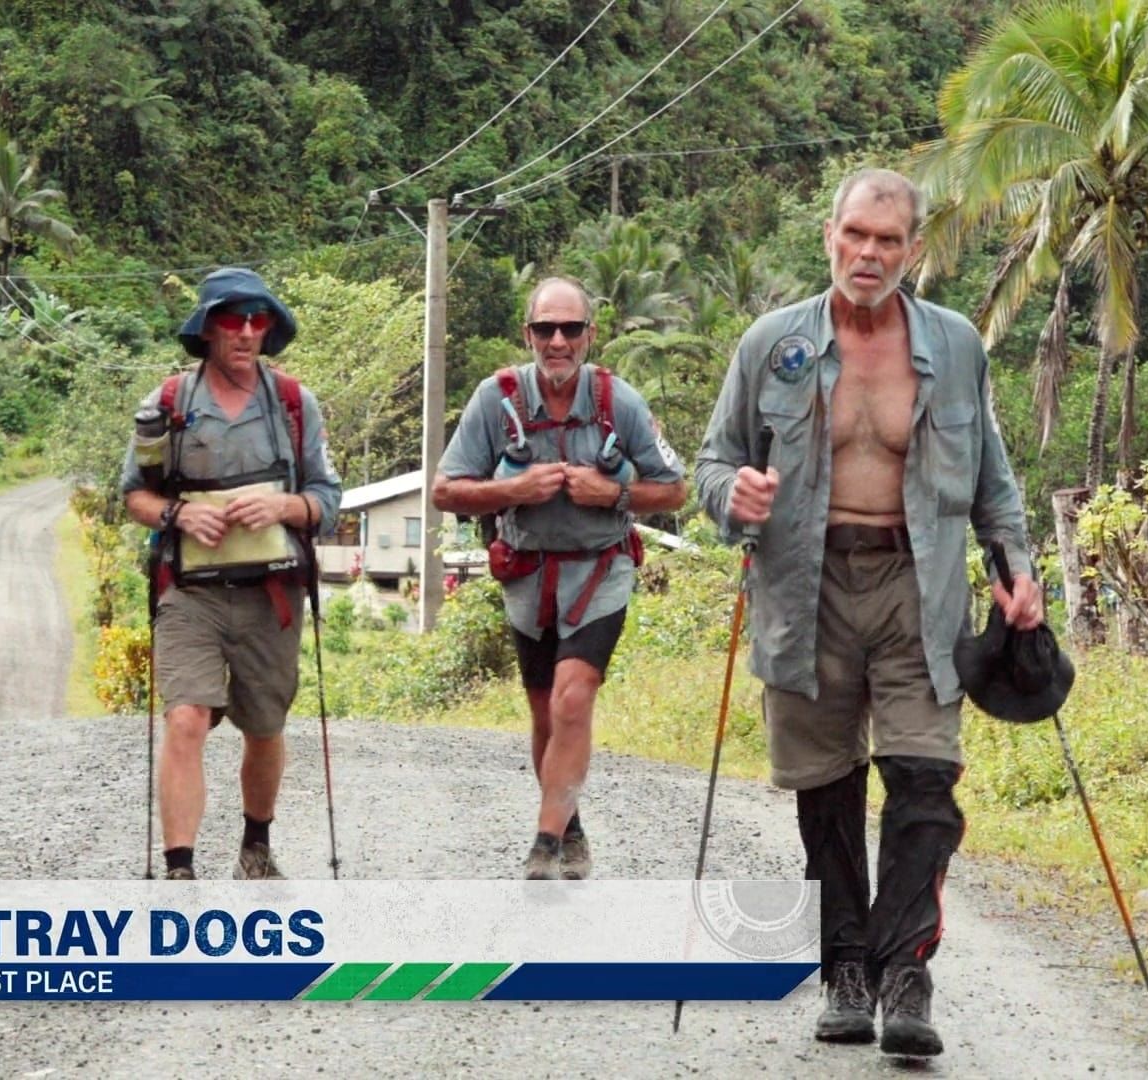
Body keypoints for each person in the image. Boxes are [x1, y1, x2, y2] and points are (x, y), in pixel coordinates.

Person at [695, 169, 1044, 1057]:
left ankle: (906, 974)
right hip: (800, 587)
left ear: (913, 250)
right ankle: (844, 967)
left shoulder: (956, 345)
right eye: (856, 235)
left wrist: (1018, 569)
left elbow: (994, 481)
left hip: (916, 584)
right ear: (829, 236)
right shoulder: (772, 343)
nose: (869, 254)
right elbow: (711, 464)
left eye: (888, 241)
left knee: (926, 782)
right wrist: (733, 493)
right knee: (825, 788)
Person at [433, 276, 686, 880]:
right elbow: (445, 489)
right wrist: (511, 490)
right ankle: (569, 823)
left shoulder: (618, 401)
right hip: (526, 575)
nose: (558, 341)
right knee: (546, 713)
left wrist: (613, 493)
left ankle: (544, 845)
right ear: (528, 334)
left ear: (589, 335)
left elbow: (673, 488)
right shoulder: (495, 400)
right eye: (545, 329)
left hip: (600, 571)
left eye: (570, 329)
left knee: (574, 698)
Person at [120, 267, 342, 881]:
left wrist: (285, 506)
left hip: (271, 594)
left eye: (258, 319)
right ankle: (180, 871)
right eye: (231, 319)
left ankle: (256, 847)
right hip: (189, 592)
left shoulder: (295, 404)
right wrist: (177, 514)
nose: (246, 332)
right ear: (207, 329)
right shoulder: (168, 404)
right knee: (186, 715)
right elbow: (135, 495)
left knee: (265, 726)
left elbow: (328, 495)